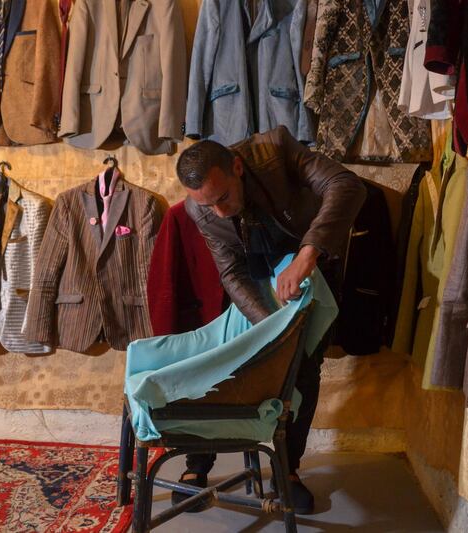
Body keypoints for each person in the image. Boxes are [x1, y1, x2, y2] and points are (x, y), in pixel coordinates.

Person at [176, 125, 367, 514]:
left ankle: (287, 468)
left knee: (304, 368)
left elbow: (348, 186)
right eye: (208, 205)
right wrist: (271, 329)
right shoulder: (201, 208)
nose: (219, 211)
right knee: (229, 360)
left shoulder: (275, 150)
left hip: (310, 266)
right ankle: (197, 462)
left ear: (237, 166)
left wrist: (307, 254)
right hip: (252, 280)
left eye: (224, 197)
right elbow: (230, 273)